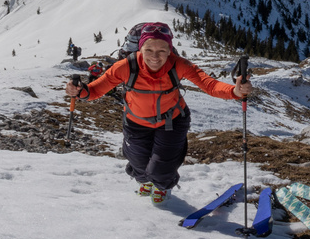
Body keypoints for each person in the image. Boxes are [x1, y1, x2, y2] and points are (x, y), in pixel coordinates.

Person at [76, 23, 251, 204]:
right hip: (136, 123)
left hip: (172, 122)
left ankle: (162, 187)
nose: (155, 56)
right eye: (149, 49)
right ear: (140, 48)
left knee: (160, 170)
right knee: (139, 166)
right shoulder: (125, 66)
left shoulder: (179, 64)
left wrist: (235, 91)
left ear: (170, 50)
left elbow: (210, 85)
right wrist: (79, 92)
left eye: (162, 50)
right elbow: (95, 90)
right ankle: (146, 181)